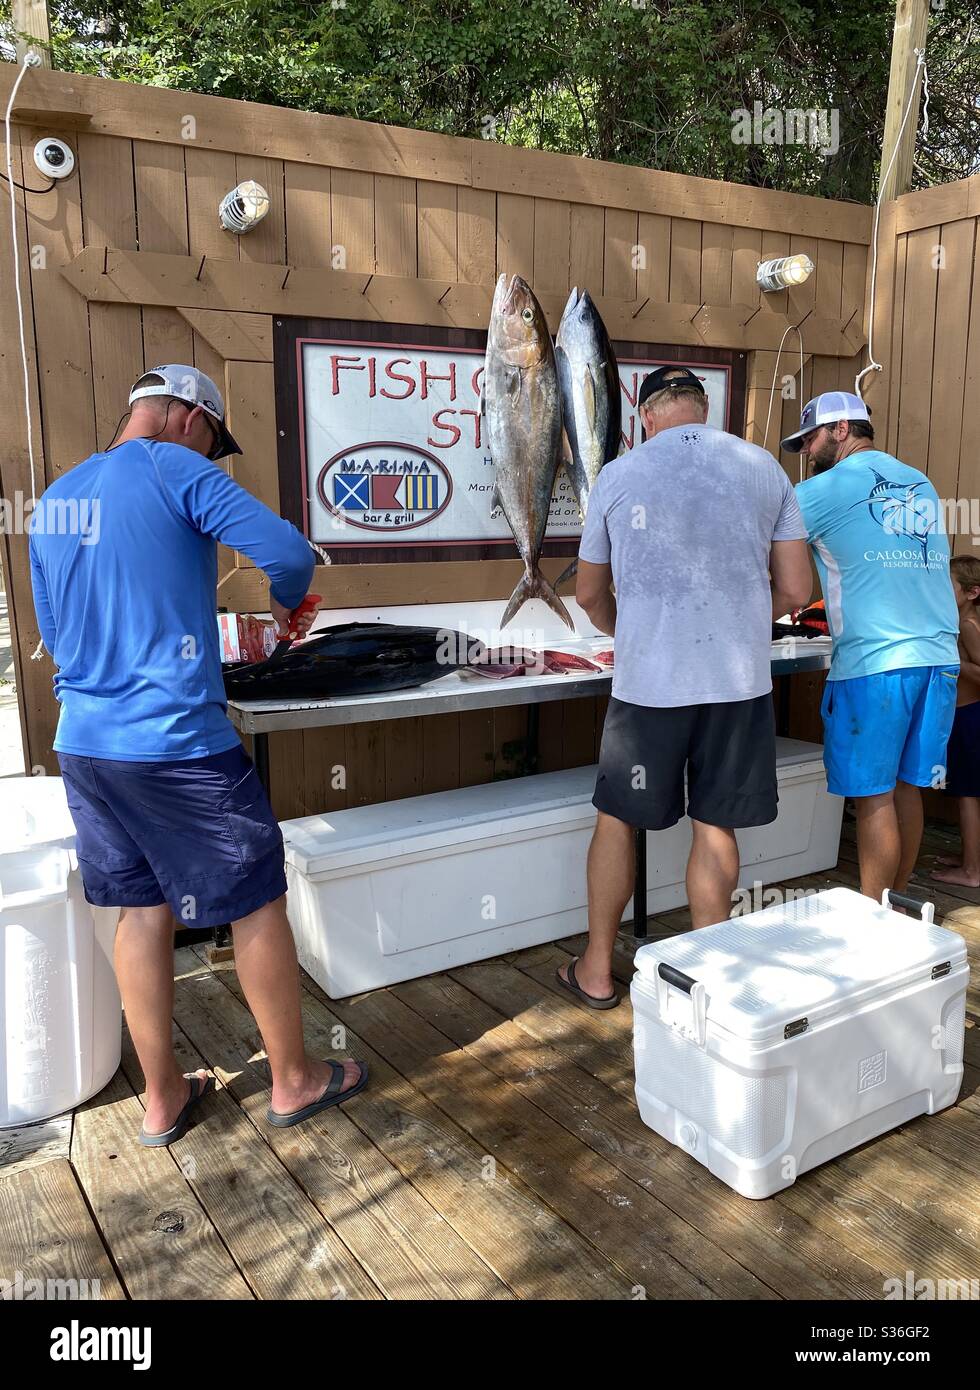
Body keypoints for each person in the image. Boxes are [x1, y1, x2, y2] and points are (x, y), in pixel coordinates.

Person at [29, 365, 368, 1145]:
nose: (211, 459)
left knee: (141, 912)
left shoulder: (54, 501)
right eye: (213, 442)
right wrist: (286, 598)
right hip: (176, 746)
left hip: (86, 747)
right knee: (254, 900)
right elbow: (288, 551)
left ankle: (162, 1096)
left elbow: (55, 630)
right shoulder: (170, 464)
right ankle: (292, 1080)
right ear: (186, 417)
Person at [558, 366, 811, 1008]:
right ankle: (710, 974)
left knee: (617, 822)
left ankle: (594, 971)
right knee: (717, 824)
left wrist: (631, 629)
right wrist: (744, 622)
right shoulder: (764, 469)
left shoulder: (619, 475)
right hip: (738, 685)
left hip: (649, 688)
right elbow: (797, 590)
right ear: (705, 409)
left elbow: (588, 592)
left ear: (645, 417)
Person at [787, 391, 959, 903]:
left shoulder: (819, 490)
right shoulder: (920, 481)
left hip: (875, 664)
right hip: (938, 659)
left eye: (810, 438)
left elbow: (771, 560)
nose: (806, 451)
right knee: (908, 789)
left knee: (873, 797)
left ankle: (872, 924)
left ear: (841, 430)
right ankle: (898, 911)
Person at [931, 554, 980, 886]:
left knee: (968, 796)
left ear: (971, 592)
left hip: (970, 717)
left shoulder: (968, 625)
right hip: (964, 715)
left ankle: (972, 872)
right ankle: (969, 858)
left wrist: (950, 659)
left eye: (947, 584)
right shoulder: (961, 621)